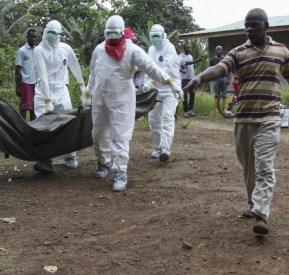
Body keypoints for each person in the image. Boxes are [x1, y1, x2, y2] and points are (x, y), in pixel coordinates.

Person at [184, 8, 289, 236]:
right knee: (249, 169)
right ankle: (253, 203)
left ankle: (261, 214)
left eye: (254, 25)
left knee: (264, 167)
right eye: (246, 26)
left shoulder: (281, 51)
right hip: (243, 120)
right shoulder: (239, 51)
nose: (249, 29)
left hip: (269, 119)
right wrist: (199, 77)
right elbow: (220, 69)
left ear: (266, 26)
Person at [83, 15, 184, 192]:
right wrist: (88, 93)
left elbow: (152, 68)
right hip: (100, 97)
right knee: (98, 134)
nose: (112, 37)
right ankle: (103, 163)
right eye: (109, 33)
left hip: (122, 98)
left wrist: (171, 82)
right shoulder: (99, 50)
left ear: (122, 33)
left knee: (119, 135)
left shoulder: (133, 50)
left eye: (115, 33)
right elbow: (93, 73)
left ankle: (120, 172)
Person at [30, 20, 86, 173]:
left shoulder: (65, 49)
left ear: (60, 34)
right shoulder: (39, 50)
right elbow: (42, 76)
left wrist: (83, 88)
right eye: (50, 32)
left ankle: (70, 156)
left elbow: (75, 67)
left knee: (68, 123)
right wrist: (47, 100)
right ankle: (45, 159)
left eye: (56, 33)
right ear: (45, 32)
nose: (52, 36)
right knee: (43, 127)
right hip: (43, 93)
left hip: (62, 92)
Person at [146, 24, 181, 163]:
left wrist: (152, 82)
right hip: (155, 91)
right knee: (153, 119)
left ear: (163, 35)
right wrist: (147, 84)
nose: (155, 39)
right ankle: (158, 147)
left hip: (171, 89)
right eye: (152, 36)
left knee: (167, 118)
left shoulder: (170, 48)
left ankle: (165, 148)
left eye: (157, 36)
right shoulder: (151, 50)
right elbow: (148, 67)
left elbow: (165, 68)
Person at [14, 28, 39, 121]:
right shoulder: (22, 51)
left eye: (35, 37)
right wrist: (18, 86)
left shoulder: (37, 50)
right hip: (25, 82)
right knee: (24, 107)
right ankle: (22, 128)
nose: (33, 39)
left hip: (35, 83)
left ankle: (33, 128)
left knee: (34, 107)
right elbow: (17, 68)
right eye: (31, 37)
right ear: (27, 37)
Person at [178, 44, 203, 117]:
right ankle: (185, 111)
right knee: (185, 95)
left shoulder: (190, 56)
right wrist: (197, 60)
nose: (189, 49)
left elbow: (191, 66)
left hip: (192, 78)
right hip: (184, 79)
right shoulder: (181, 56)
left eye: (190, 48)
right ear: (184, 48)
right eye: (187, 48)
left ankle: (190, 110)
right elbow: (187, 63)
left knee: (192, 94)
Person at [209, 46, 231, 116]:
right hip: (216, 79)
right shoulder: (212, 60)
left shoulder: (225, 59)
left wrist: (229, 79)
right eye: (217, 49)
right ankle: (216, 108)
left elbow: (229, 69)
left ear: (222, 50)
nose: (219, 51)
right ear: (215, 51)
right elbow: (210, 70)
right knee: (217, 94)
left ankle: (225, 108)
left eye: (220, 49)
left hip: (224, 78)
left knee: (224, 94)